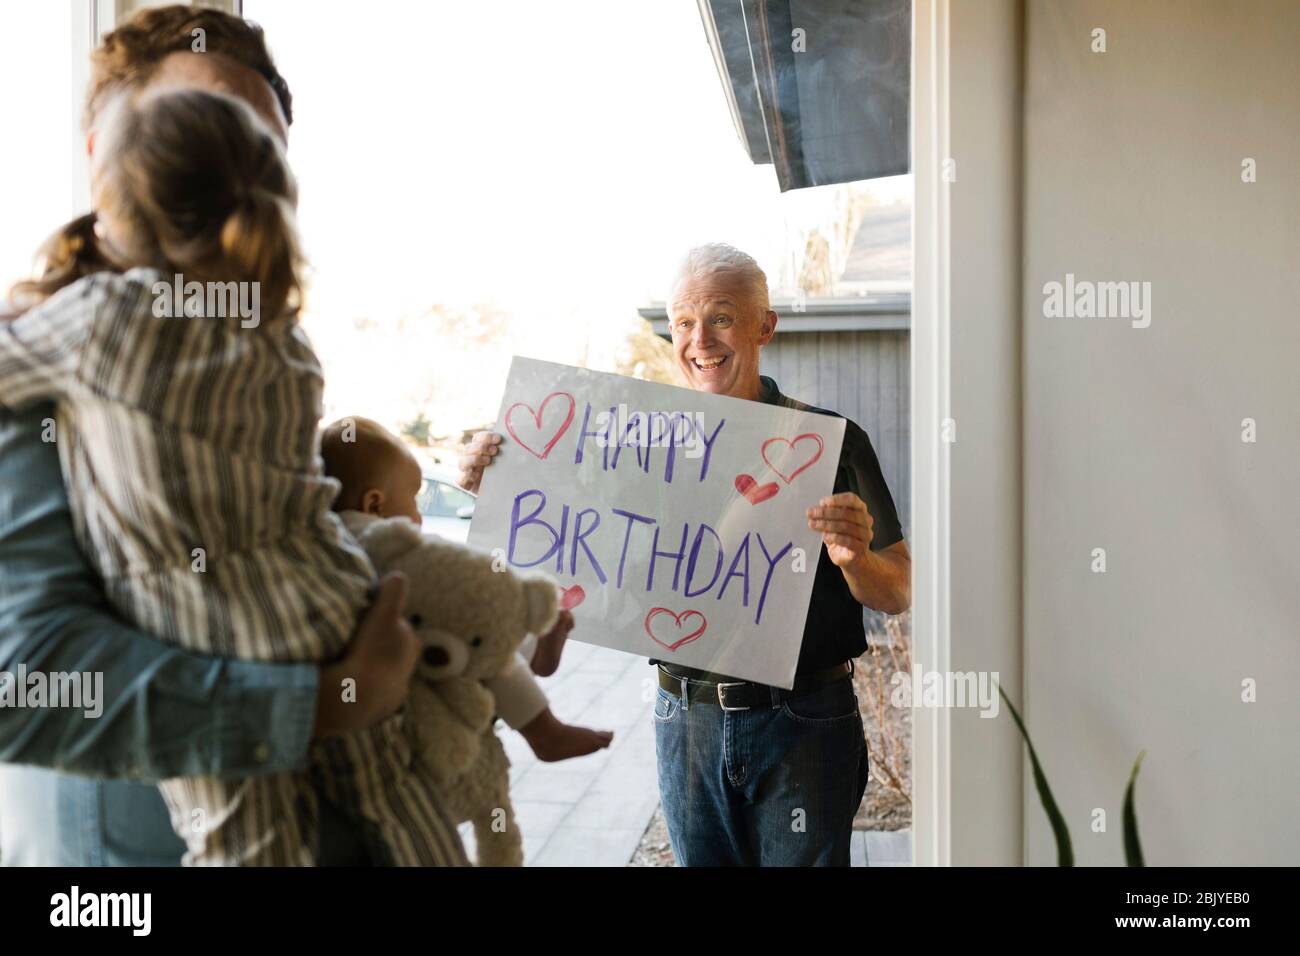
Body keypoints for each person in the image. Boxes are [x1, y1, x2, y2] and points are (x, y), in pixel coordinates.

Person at [1, 85, 471, 866]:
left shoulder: (99, 320)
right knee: (399, 812)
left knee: (244, 848)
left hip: (222, 635)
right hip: (331, 605)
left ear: (116, 210)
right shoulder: (282, 339)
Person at [458, 243, 912, 866]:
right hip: (683, 715)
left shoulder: (828, 441)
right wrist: (496, 483)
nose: (701, 338)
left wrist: (856, 557)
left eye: (722, 317)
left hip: (804, 719)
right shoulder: (636, 444)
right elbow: (567, 529)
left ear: (765, 326)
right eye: (683, 322)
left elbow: (897, 591)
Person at [320, 416, 614, 761]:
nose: (419, 516)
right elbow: (464, 572)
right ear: (374, 505)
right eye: (413, 500)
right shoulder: (378, 539)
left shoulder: (327, 540)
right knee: (487, 640)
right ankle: (545, 730)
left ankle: (537, 657)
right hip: (413, 655)